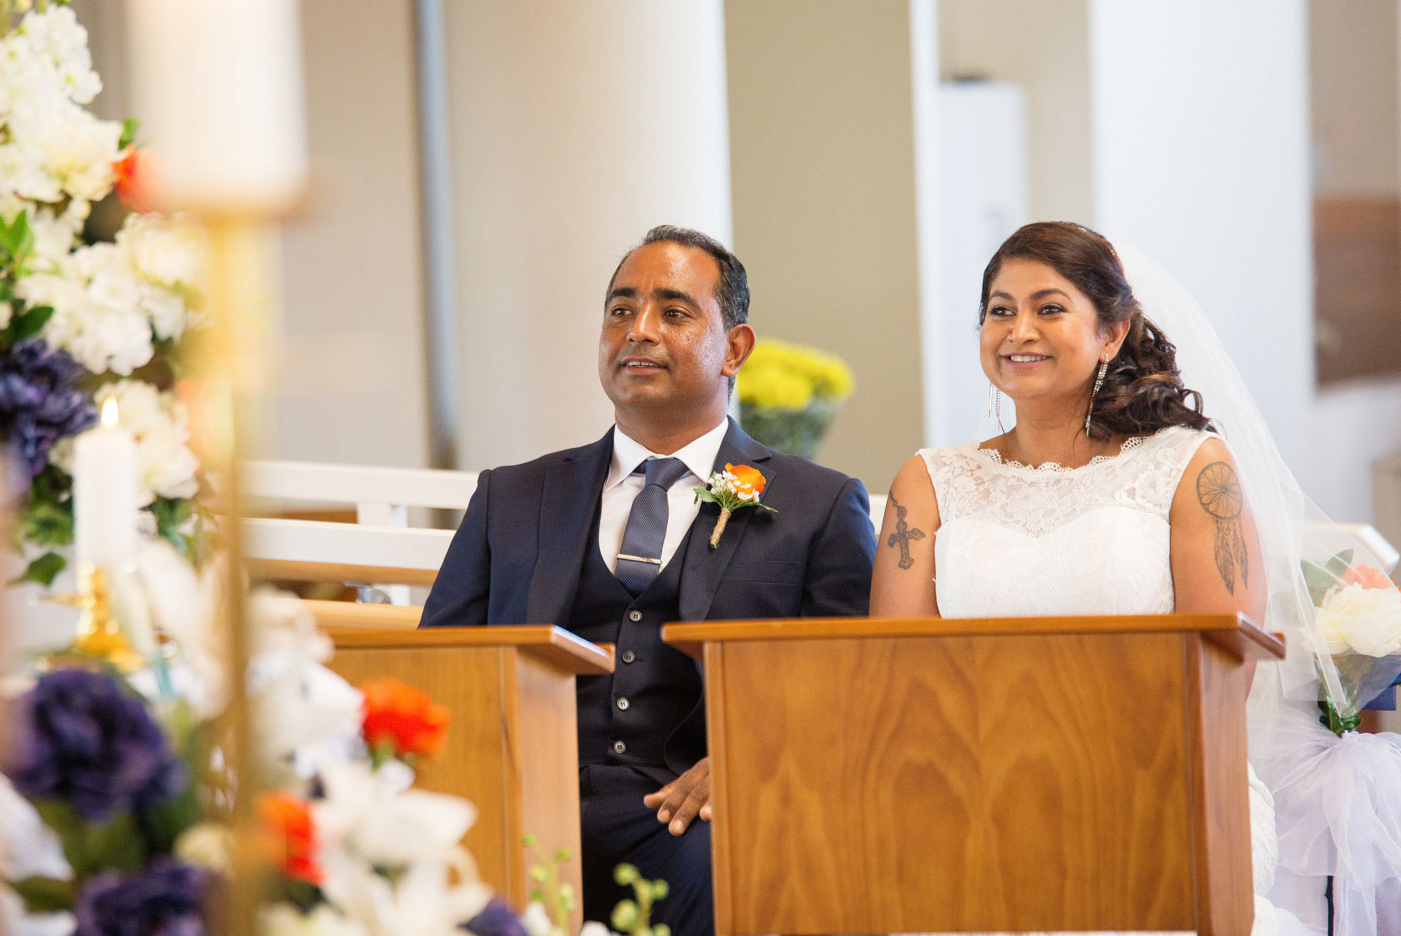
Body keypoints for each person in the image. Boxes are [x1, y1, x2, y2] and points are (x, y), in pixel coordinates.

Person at [421, 225, 877, 935]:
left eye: (673, 311)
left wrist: (747, 761)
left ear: (735, 348)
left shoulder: (818, 505)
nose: (637, 330)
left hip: (696, 812)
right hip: (524, 800)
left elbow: (855, 685)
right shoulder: (512, 495)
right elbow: (439, 667)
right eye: (619, 309)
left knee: (715, 866)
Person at [870, 221, 1297, 935]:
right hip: (976, 794)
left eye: (1050, 307)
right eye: (1000, 310)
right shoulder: (929, 481)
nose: (1018, 330)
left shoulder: (1189, 466)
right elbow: (897, 672)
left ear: (1113, 332)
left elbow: (1224, 671)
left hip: (1160, 788)